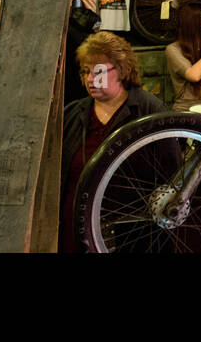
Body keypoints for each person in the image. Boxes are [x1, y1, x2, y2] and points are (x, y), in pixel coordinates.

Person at [60, 32, 167, 252]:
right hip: (75, 233)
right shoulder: (73, 114)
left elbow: (169, 178)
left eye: (98, 71)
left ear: (121, 70)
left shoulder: (151, 113)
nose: (90, 79)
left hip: (130, 237)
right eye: (85, 71)